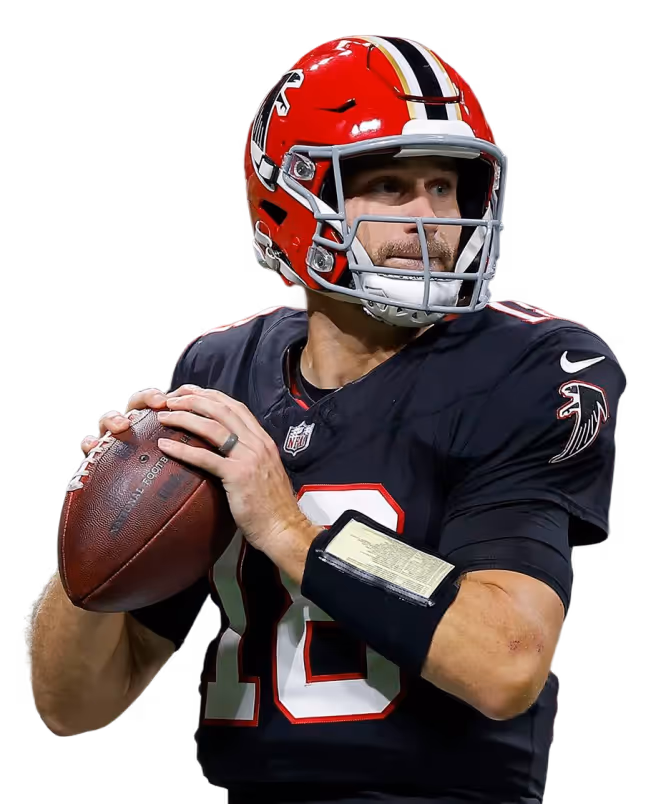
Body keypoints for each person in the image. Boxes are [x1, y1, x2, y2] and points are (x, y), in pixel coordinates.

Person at [121, 36, 624, 802]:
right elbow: (75, 706)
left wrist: (290, 531)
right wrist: (95, 525)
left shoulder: (530, 364)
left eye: (447, 187)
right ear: (289, 200)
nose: (433, 219)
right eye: (389, 186)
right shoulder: (218, 366)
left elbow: (509, 659)